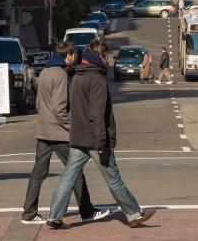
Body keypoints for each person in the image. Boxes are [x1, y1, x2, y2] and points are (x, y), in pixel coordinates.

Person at [45, 40, 155, 229]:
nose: (108, 61)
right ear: (101, 57)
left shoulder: (77, 76)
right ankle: (133, 213)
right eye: (106, 57)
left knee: (68, 176)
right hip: (95, 139)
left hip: (78, 136)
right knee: (113, 177)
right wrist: (101, 141)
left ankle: (55, 216)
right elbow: (97, 114)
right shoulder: (97, 79)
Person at [20, 41, 109, 226]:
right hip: (58, 133)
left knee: (38, 172)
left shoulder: (44, 72)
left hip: (43, 130)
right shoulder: (60, 75)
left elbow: (38, 104)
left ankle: (29, 213)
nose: (75, 58)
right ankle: (87, 211)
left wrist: (47, 118)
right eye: (74, 55)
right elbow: (60, 108)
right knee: (74, 172)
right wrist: (72, 126)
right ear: (68, 56)